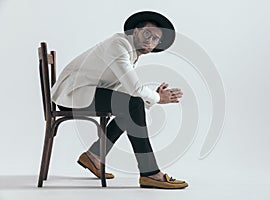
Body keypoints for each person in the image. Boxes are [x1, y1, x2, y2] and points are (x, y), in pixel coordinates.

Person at [51, 11, 188, 189]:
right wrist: (157, 98)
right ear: (136, 30)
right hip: (73, 94)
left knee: (130, 107)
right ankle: (150, 173)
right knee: (131, 105)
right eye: (147, 33)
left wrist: (150, 99)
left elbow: (127, 90)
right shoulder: (119, 45)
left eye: (155, 39)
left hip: (84, 91)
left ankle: (93, 155)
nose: (150, 41)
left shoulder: (131, 52)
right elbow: (134, 89)